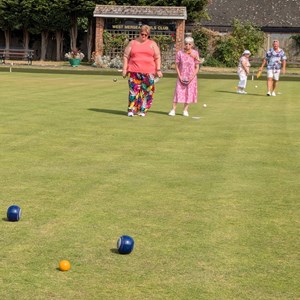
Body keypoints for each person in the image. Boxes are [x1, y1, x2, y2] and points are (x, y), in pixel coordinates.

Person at [122, 25, 163, 117]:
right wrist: (124, 69)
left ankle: (143, 110)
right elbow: (126, 56)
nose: (144, 36)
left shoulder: (152, 44)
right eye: (142, 34)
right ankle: (131, 110)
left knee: (147, 92)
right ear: (139, 33)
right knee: (133, 91)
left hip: (149, 72)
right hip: (134, 71)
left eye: (146, 34)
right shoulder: (133, 43)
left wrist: (158, 69)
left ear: (148, 35)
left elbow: (157, 57)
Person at [168, 36, 200, 117]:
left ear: (192, 45)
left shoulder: (195, 53)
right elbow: (177, 65)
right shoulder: (180, 53)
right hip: (181, 76)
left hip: (191, 77)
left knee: (189, 93)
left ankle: (185, 110)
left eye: (189, 44)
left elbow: (197, 67)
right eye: (186, 44)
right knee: (178, 92)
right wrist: (180, 76)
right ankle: (173, 110)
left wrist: (192, 77)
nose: (187, 46)